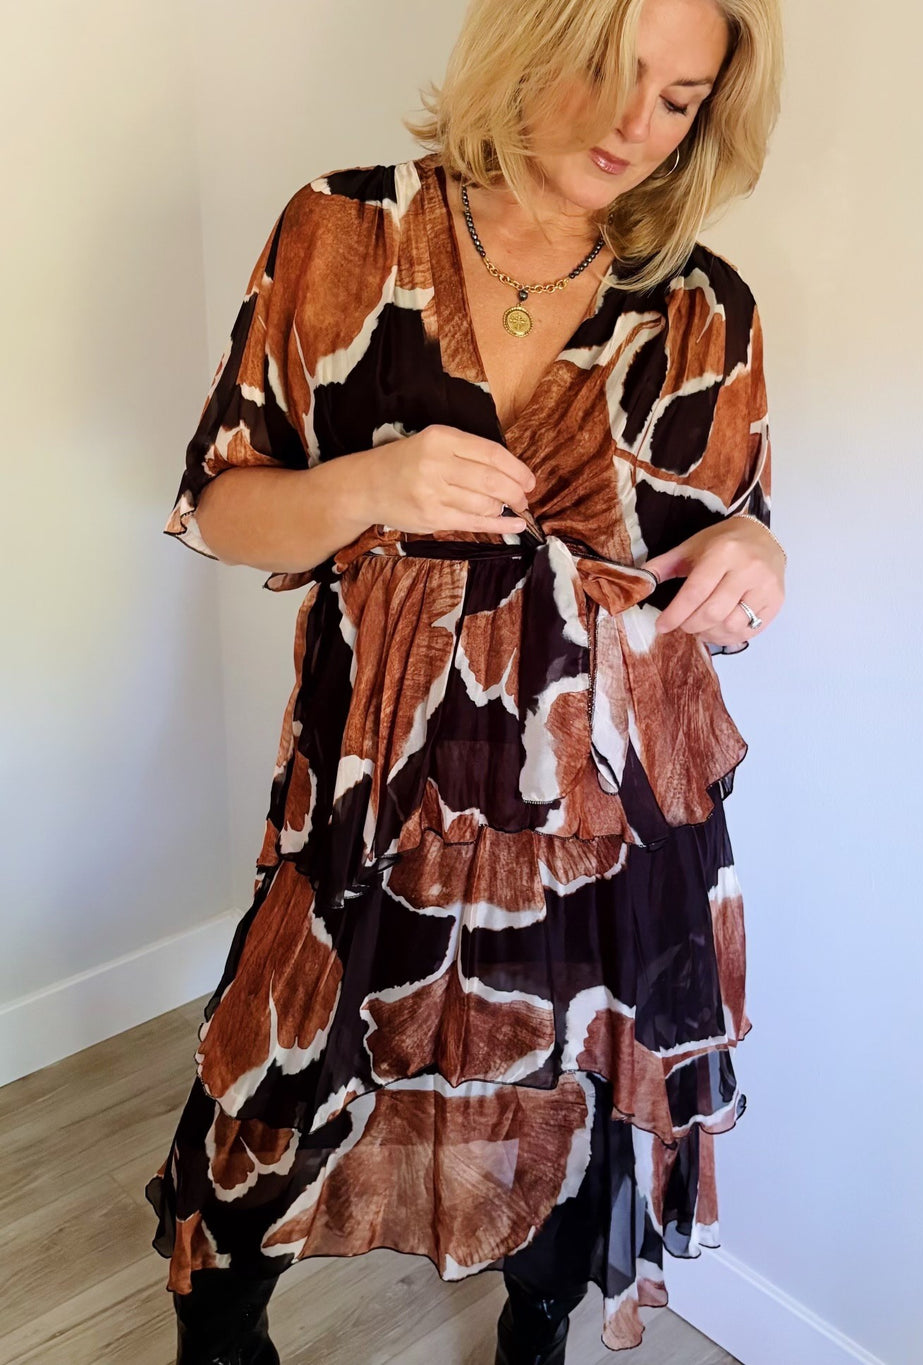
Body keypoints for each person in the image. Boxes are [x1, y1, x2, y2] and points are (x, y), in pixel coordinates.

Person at [144, 0, 786, 1359]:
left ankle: (535, 1333)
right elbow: (219, 506)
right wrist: (373, 482)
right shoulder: (343, 230)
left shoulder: (704, 306)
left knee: (564, 1126)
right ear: (530, 40)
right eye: (612, 71)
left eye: (679, 100)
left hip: (597, 830)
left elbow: (718, 565)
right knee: (264, 1118)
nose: (636, 125)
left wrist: (756, 552)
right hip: (372, 805)